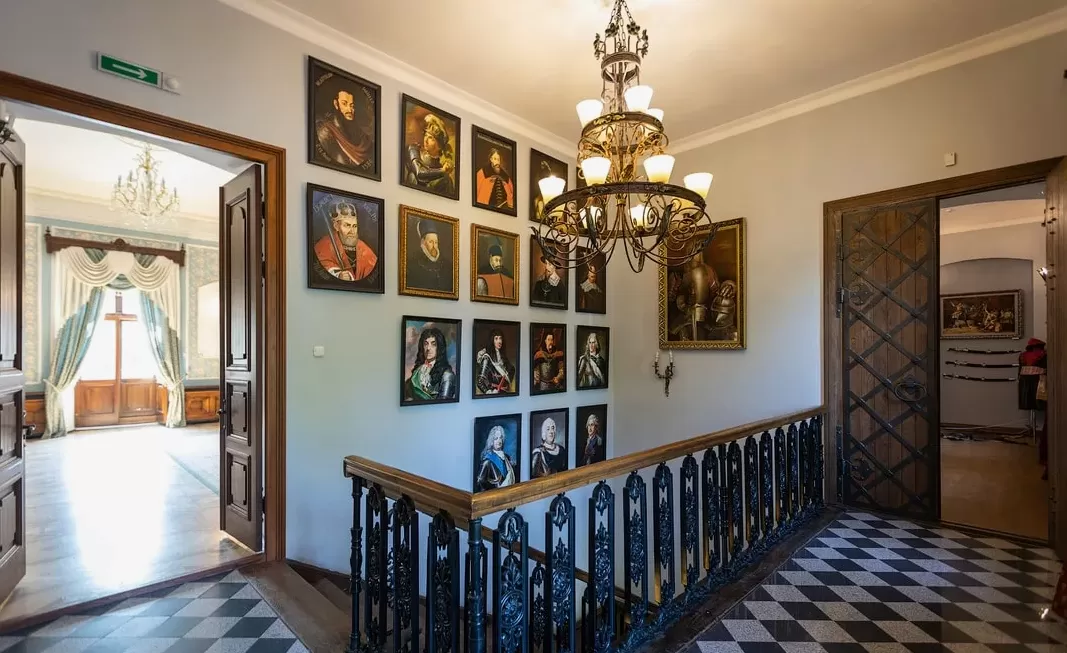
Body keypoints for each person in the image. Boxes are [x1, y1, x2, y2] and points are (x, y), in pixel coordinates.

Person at [670, 256, 738, 341]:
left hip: (706, 320)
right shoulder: (677, 275)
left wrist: (729, 286)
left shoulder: (708, 271)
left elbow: (717, 292)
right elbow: (669, 302)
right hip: (683, 318)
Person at [313, 201, 377, 281]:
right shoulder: (324, 244)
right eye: (347, 225)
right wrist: (338, 275)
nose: (352, 231)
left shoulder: (363, 247)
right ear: (336, 226)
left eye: (354, 226)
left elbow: (373, 270)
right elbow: (320, 266)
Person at [315, 87, 373, 170]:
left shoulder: (363, 137)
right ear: (336, 104)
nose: (349, 110)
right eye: (344, 104)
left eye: (352, 106)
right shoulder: (326, 132)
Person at [405, 113, 455, 196]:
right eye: (425, 135)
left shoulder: (444, 177)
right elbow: (420, 174)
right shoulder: (414, 150)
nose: (426, 140)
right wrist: (442, 171)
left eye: (431, 138)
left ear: (439, 146)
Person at [406, 327, 456, 401]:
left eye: (433, 344)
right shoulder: (417, 372)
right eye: (426, 344)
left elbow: (444, 403)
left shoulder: (447, 375)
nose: (428, 348)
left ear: (439, 347)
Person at [406, 218, 450, 291]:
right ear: (423, 243)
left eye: (436, 242)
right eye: (431, 242)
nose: (434, 246)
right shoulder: (413, 265)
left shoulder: (446, 265)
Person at [476, 329, 515, 395]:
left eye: (500, 338)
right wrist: (489, 392)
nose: (499, 341)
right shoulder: (487, 358)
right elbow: (480, 382)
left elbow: (512, 370)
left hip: (505, 394)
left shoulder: (503, 357)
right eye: (496, 338)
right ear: (492, 341)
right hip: (494, 394)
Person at [476, 425, 516, 491]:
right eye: (496, 438)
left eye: (500, 438)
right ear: (491, 441)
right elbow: (480, 483)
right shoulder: (487, 462)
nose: (499, 441)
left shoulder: (507, 457)